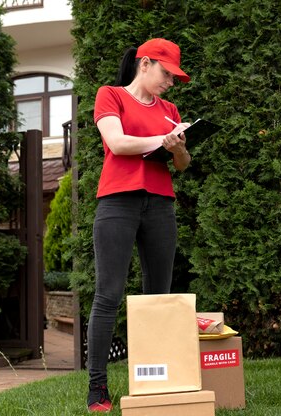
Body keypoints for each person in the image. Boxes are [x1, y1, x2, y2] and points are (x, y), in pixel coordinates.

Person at [86, 38, 192, 413]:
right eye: (167, 73)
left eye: (175, 77)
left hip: (160, 204)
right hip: (118, 201)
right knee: (108, 295)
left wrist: (178, 146)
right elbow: (116, 142)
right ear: (145, 64)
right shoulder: (110, 95)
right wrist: (160, 140)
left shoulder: (170, 109)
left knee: (158, 299)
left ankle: (154, 383)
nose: (170, 82)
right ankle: (97, 389)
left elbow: (181, 164)